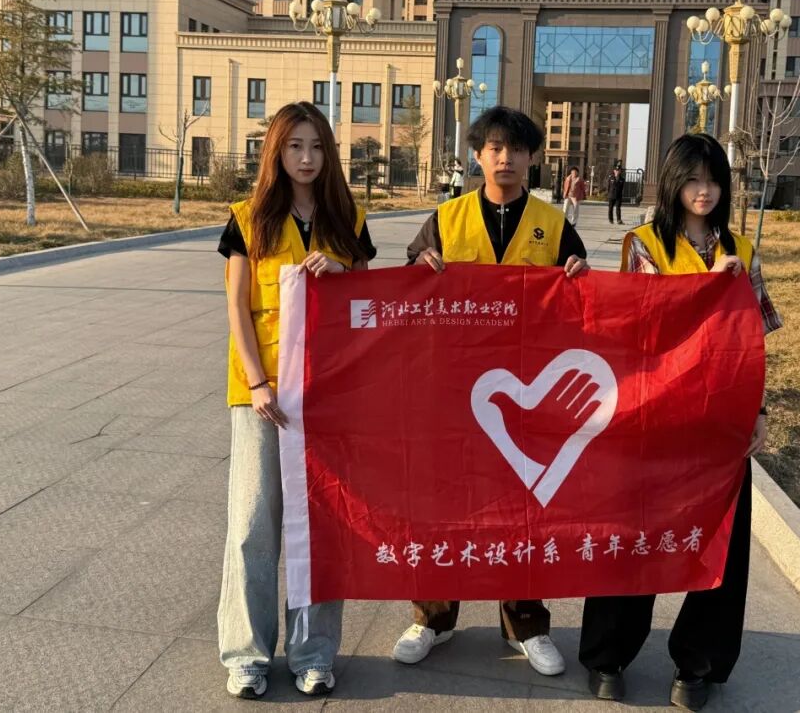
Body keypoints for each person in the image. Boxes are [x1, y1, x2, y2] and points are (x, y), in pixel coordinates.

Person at [578, 132, 782, 709]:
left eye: (713, 180)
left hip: (719, 420)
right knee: (634, 534)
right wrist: (706, 286)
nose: (704, 191)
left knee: (719, 540)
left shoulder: (742, 250)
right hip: (653, 416)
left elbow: (753, 342)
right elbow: (635, 331)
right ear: (672, 183)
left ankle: (698, 662)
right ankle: (608, 653)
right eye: (692, 179)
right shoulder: (643, 245)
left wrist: (758, 411)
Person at [398, 105, 590, 677]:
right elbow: (408, 288)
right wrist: (420, 264)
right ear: (478, 155)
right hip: (454, 390)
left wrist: (578, 273)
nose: (505, 158)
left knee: (523, 507)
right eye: (495, 148)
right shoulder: (447, 218)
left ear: (532, 157)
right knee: (445, 502)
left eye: (516, 149)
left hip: (526, 389)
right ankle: (432, 618)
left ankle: (527, 624)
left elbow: (581, 297)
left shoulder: (552, 223)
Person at [216, 101, 376, 700]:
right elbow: (237, 308)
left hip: (328, 396)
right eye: (294, 146)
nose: (306, 159)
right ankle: (247, 654)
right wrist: (257, 383)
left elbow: (370, 304)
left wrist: (342, 270)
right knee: (253, 523)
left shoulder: (348, 219)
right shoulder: (247, 218)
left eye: (316, 147)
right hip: (262, 396)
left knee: (321, 525)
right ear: (276, 152)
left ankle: (313, 652)